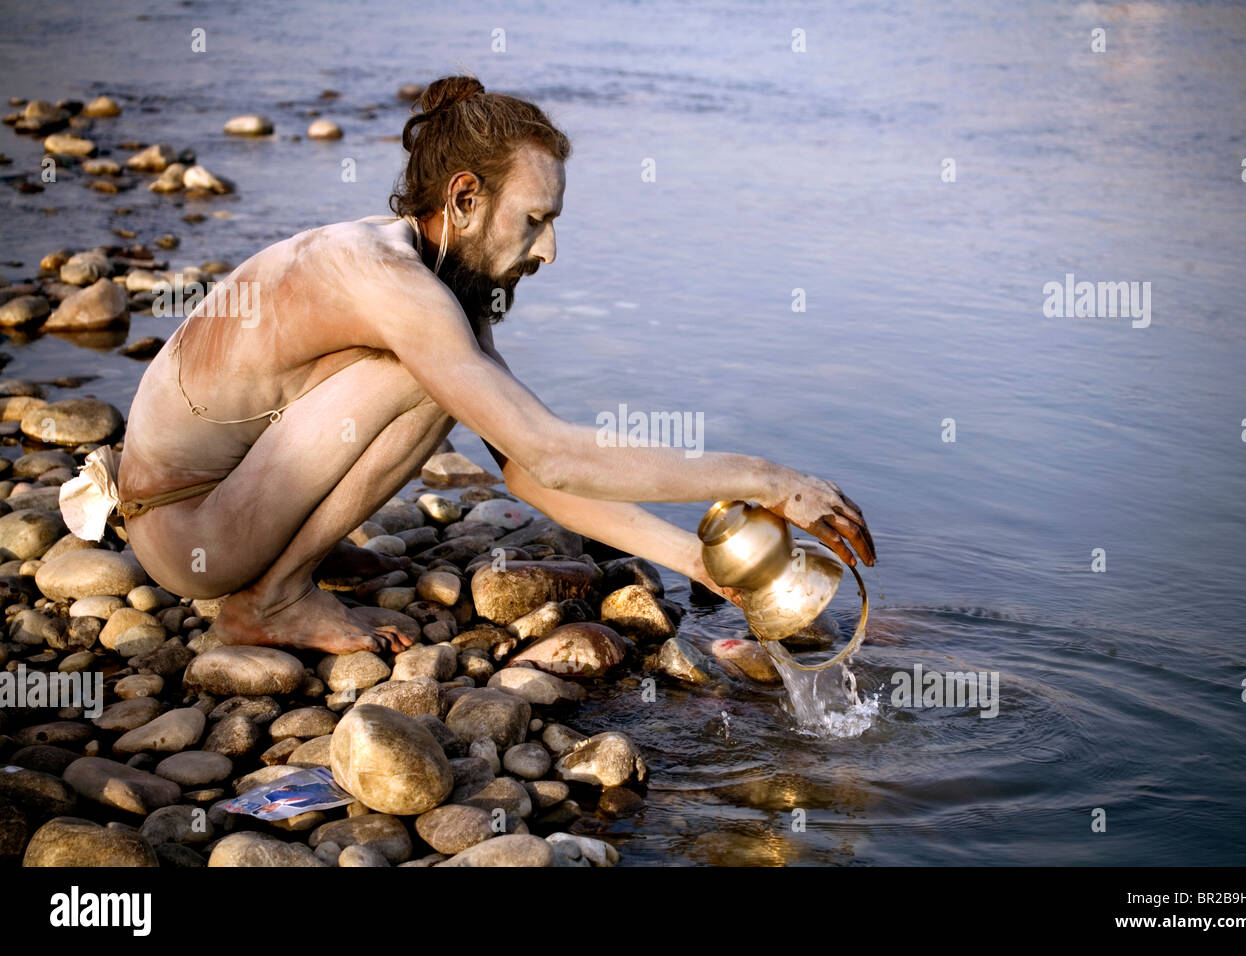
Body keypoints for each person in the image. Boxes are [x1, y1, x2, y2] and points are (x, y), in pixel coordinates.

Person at [96, 74, 874, 654]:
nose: (549, 250)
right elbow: (554, 454)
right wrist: (765, 479)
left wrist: (695, 562)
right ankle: (268, 601)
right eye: (535, 220)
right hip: (185, 529)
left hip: (218, 502)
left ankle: (293, 559)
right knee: (420, 378)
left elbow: (526, 471)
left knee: (443, 376)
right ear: (465, 197)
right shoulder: (386, 283)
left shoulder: (426, 281)